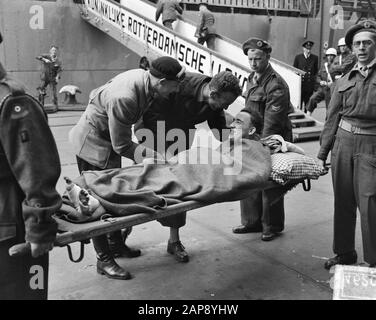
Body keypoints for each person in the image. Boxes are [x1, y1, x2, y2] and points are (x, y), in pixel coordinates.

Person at [69, 56, 185, 280]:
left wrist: (147, 152)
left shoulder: (145, 81)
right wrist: (155, 157)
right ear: (161, 82)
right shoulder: (126, 96)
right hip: (92, 145)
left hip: (107, 141)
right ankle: (104, 259)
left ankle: (116, 245)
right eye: (175, 86)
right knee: (97, 202)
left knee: (114, 195)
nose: (176, 90)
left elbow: (132, 125)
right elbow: (121, 145)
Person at [138, 71, 242, 262]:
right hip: (151, 131)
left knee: (180, 187)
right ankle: (120, 233)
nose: (227, 107)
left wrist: (235, 141)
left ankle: (174, 241)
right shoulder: (178, 86)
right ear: (213, 94)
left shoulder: (215, 96)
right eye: (225, 103)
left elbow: (218, 125)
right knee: (145, 185)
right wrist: (162, 151)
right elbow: (151, 115)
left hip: (181, 134)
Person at [0, 31, 62, 300]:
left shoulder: (13, 102)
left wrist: (39, 228)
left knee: (24, 294)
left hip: (10, 226)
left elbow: (36, 171)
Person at [318, 20, 376, 270]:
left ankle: (373, 261)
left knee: (370, 204)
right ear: (352, 48)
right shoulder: (343, 80)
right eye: (357, 44)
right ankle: (344, 252)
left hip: (371, 146)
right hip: (343, 143)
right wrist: (321, 154)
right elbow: (332, 119)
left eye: (367, 43)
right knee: (342, 201)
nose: (361, 48)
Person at [232, 38, 293, 241]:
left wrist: (262, 146)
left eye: (258, 58)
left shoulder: (275, 84)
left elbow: (273, 122)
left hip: (273, 138)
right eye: (250, 59)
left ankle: (272, 225)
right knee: (250, 179)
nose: (253, 63)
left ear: (267, 57)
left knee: (270, 182)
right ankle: (252, 222)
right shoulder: (252, 78)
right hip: (254, 136)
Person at [306, 48, 337, 117]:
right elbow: (318, 76)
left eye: (331, 55)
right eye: (328, 55)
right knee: (312, 99)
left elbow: (340, 78)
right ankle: (308, 115)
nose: (329, 57)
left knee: (329, 107)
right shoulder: (324, 66)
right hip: (322, 88)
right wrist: (320, 81)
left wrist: (333, 84)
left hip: (331, 90)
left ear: (335, 56)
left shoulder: (338, 66)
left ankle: (328, 123)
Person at [293, 40, 319, 112]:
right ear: (303, 49)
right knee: (299, 103)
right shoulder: (298, 57)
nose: (308, 51)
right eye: (307, 49)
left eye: (309, 49)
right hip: (300, 85)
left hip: (309, 85)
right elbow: (294, 70)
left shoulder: (315, 58)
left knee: (308, 104)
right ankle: (299, 117)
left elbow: (315, 72)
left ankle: (306, 118)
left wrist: (314, 85)